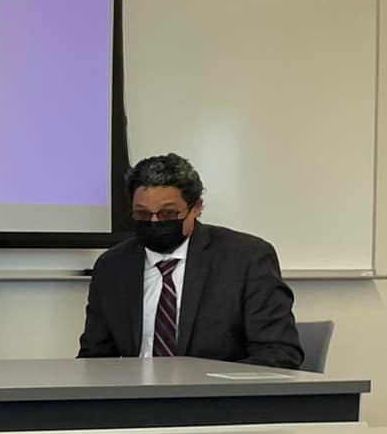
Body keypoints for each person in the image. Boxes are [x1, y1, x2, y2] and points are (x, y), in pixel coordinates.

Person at [79, 153, 302, 369]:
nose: (154, 222)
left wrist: (206, 387)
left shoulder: (246, 259)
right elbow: (95, 358)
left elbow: (279, 353)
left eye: (167, 214)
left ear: (196, 208)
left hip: (215, 399)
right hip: (136, 398)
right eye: (143, 214)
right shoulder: (112, 266)